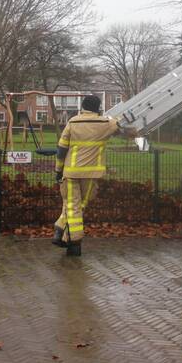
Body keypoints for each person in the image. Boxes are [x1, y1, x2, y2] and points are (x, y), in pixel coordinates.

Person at [53, 94, 122, 256]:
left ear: (83, 106)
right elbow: (121, 126)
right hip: (91, 173)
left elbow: (61, 149)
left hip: (70, 171)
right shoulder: (106, 124)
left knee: (72, 205)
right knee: (79, 205)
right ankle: (71, 240)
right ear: (98, 107)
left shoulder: (73, 122)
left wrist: (58, 170)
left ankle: (62, 232)